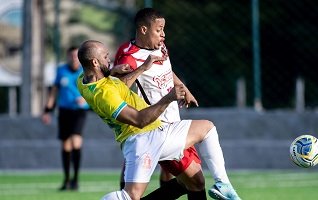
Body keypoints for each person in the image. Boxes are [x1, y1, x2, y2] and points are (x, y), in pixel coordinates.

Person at [76, 40, 241, 200]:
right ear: (95, 62)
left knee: (192, 181)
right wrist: (168, 98)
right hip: (148, 135)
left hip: (137, 141)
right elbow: (139, 120)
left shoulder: (83, 81)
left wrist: (136, 69)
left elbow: (115, 87)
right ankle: (223, 184)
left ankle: (223, 184)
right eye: (105, 57)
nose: (109, 59)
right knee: (207, 128)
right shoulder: (105, 94)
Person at [112, 8, 207, 200]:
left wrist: (183, 88)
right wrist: (141, 68)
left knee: (194, 182)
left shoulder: (160, 47)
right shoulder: (129, 56)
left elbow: (167, 70)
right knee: (195, 181)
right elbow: (119, 89)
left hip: (175, 122)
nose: (163, 34)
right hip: (159, 127)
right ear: (143, 29)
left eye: (164, 29)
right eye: (159, 29)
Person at [42, 46, 89, 191]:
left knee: (76, 142)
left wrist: (85, 99)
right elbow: (54, 91)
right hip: (64, 111)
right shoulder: (61, 71)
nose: (74, 58)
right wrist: (47, 110)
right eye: (71, 56)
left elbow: (95, 89)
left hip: (79, 112)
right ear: (67, 56)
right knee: (66, 145)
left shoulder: (85, 71)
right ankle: (67, 180)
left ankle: (75, 180)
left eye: (76, 56)